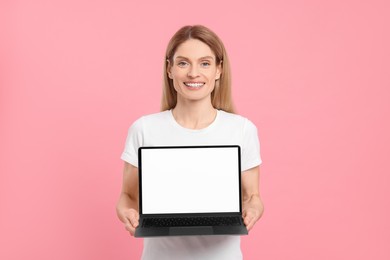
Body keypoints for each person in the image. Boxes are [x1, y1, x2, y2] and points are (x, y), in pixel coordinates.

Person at [116, 25, 264, 260]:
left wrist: (252, 210)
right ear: (170, 69)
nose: (193, 73)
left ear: (218, 70)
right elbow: (128, 196)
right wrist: (126, 213)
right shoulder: (144, 129)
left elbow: (252, 197)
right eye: (183, 63)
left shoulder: (242, 129)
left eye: (205, 63)